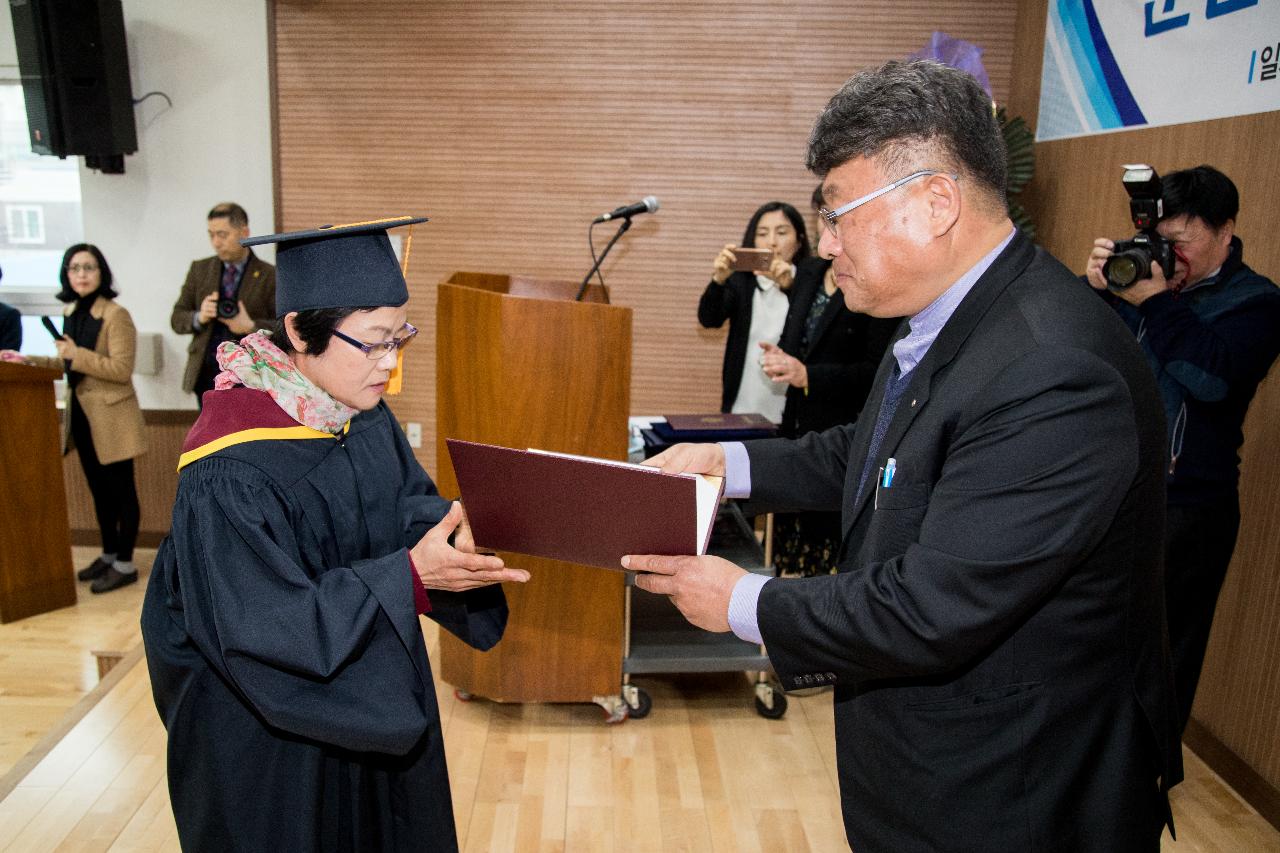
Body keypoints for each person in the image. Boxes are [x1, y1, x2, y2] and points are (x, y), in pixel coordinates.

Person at [628, 60, 1182, 851]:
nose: (824, 245)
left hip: (1015, 792)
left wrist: (744, 601)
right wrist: (729, 465)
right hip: (929, 768)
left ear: (935, 202)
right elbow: (881, 450)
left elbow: (931, 605)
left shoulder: (1055, 370)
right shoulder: (942, 316)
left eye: (837, 214)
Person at [141, 216, 529, 852]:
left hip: (365, 706)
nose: (390, 363)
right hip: (269, 739)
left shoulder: (359, 416)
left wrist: (466, 530)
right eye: (373, 342)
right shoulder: (229, 468)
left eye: (398, 337)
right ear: (297, 329)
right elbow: (263, 628)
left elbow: (402, 510)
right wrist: (408, 578)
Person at [1084, 165, 1280, 733]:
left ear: (1226, 230)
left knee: (1164, 653)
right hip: (1113, 493)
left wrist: (1153, 301)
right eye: (1156, 241)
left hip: (1187, 508)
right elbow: (1082, 357)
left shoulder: (1258, 303)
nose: (1165, 255)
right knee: (1092, 639)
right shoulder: (1137, 283)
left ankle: (1144, 779)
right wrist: (1097, 291)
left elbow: (1212, 379)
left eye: (1178, 242)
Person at [761, 186, 900, 575]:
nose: (826, 232)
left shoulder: (874, 279)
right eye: (822, 218)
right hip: (797, 419)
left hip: (843, 427)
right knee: (788, 539)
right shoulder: (809, 271)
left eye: (835, 219)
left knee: (829, 553)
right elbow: (797, 338)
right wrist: (782, 358)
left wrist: (809, 375)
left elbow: (876, 371)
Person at [1, 245, 145, 593]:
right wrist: (26, 360)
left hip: (112, 417)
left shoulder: (115, 314)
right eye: (74, 268)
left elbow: (121, 369)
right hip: (81, 416)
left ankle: (126, 563)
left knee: (122, 492)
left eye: (89, 267)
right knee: (99, 492)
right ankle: (109, 554)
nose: (81, 274)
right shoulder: (72, 310)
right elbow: (68, 364)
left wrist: (75, 354)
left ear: (102, 273)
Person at [697, 201, 809, 422]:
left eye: (782, 232)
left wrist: (790, 286)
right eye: (763, 233)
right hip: (743, 402)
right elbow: (709, 319)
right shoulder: (742, 281)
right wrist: (718, 280)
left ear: (799, 240)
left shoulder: (809, 283)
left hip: (793, 406)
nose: (772, 242)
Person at [170, 202, 276, 408]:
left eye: (222, 234)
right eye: (211, 235)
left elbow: (284, 325)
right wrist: (199, 317)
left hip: (250, 376)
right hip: (206, 372)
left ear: (244, 232)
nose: (216, 242)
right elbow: (176, 318)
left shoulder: (269, 275)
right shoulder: (200, 270)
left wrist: (251, 326)